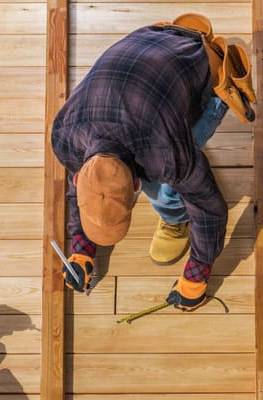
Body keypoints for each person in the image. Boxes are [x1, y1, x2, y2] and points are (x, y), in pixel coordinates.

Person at [51, 14, 256, 311]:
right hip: (149, 41)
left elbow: (209, 208)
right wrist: (81, 250)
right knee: (172, 165)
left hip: (198, 64)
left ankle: (175, 221)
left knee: (164, 189)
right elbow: (83, 192)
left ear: (135, 184)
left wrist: (196, 276)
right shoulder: (65, 137)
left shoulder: (162, 151)